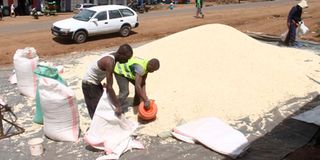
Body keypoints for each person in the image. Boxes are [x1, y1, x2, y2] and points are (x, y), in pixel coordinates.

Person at [82, 44, 133, 119]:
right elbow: (110, 87)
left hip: (95, 83)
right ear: (121, 55)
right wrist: (118, 106)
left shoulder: (113, 56)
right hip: (89, 84)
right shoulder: (110, 62)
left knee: (104, 105)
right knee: (97, 110)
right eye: (126, 58)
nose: (127, 61)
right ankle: (95, 128)